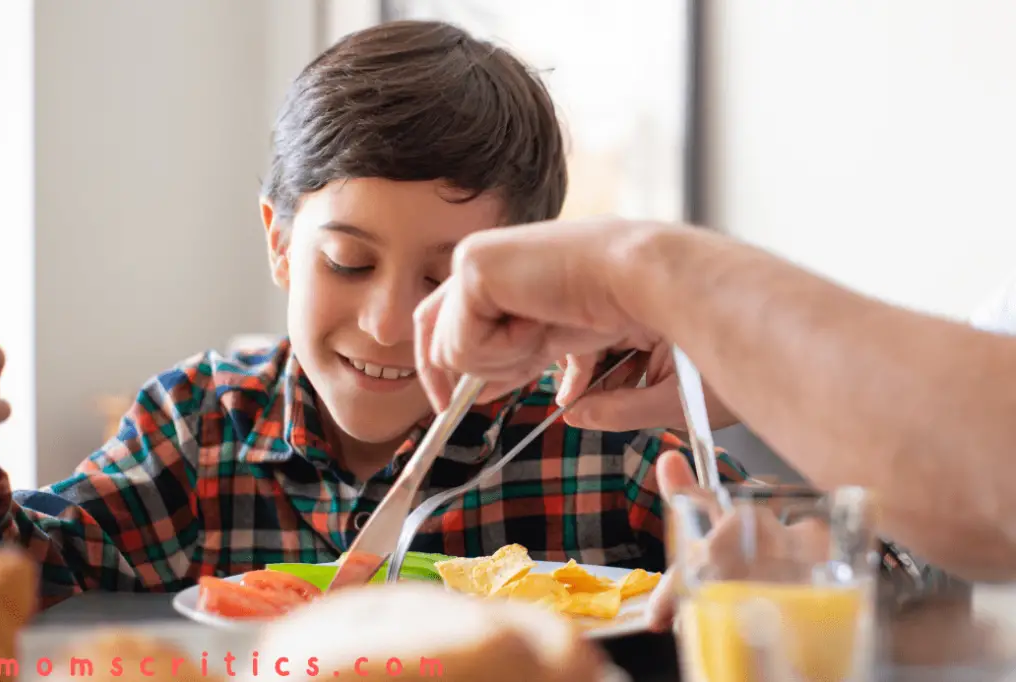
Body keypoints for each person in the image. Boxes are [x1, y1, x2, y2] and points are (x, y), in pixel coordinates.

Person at [0, 21, 751, 612]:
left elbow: (844, 571)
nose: (389, 324)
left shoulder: (604, 440)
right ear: (282, 244)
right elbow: (30, 575)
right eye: (348, 264)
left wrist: (758, 574)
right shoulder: (198, 426)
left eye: (447, 279)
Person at [413, 217, 1016, 587]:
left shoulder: (619, 463)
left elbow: (981, 478)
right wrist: (746, 360)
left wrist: (646, 266)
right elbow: (964, 476)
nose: (390, 323)